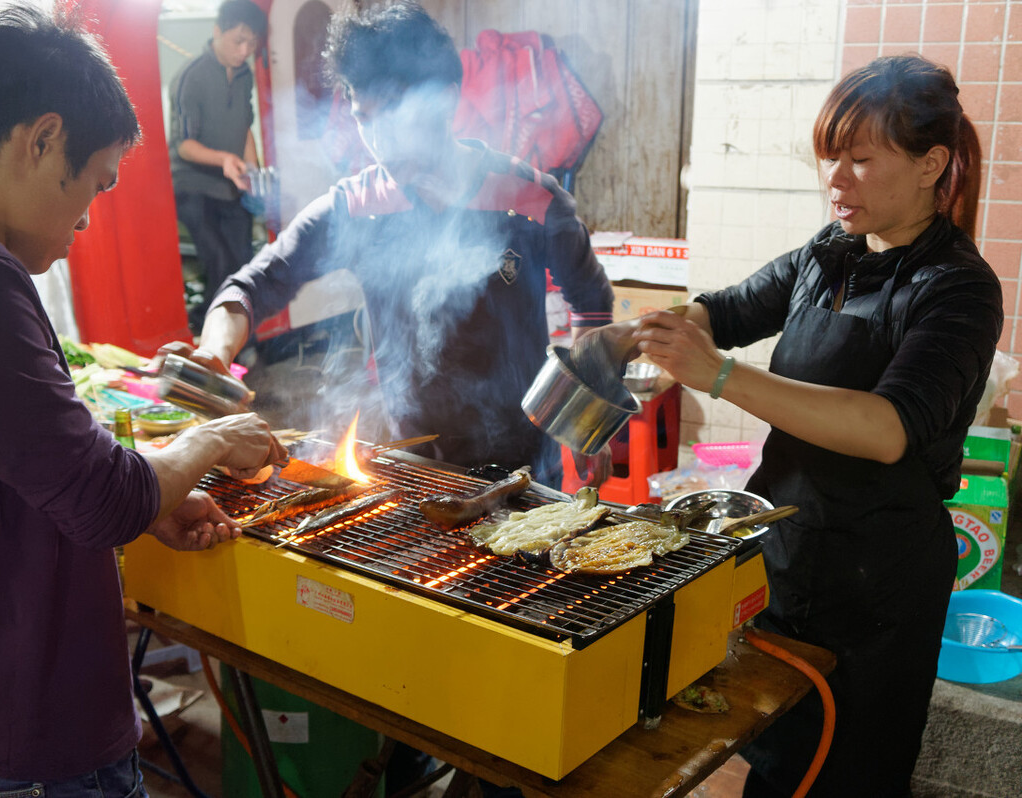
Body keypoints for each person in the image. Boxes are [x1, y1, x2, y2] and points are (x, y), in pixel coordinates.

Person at [0, 6, 286, 796]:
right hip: (32, 725)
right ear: (41, 140)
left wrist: (152, 495)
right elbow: (102, 501)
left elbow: (16, 466)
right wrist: (208, 441)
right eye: (95, 183)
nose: (87, 219)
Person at [592, 55, 1002, 797]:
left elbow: (888, 426)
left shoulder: (958, 287)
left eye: (860, 159)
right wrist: (634, 334)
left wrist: (719, 375)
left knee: (848, 772)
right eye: (828, 158)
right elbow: (726, 309)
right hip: (788, 548)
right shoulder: (829, 253)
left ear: (930, 164)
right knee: (778, 760)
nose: (836, 180)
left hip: (877, 587)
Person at [164, 0, 614, 490]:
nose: (380, 141)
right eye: (364, 118)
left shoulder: (529, 198)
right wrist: (214, 351)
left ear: (444, 100)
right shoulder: (359, 205)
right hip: (415, 469)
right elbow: (250, 286)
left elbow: (591, 300)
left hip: (526, 469)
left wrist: (586, 417)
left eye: (396, 116)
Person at [167, 0, 267, 333]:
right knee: (221, 262)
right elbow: (185, 145)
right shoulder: (190, 77)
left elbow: (244, 126)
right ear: (217, 32)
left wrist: (252, 168)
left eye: (251, 43)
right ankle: (208, 332)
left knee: (244, 265)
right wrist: (224, 159)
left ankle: (235, 336)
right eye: (238, 41)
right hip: (193, 185)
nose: (245, 51)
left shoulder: (244, 74)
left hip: (231, 184)